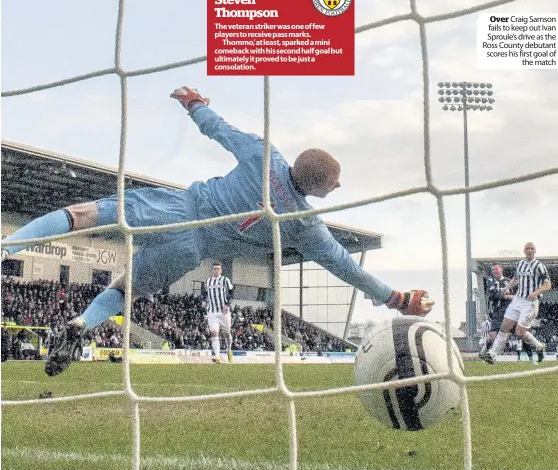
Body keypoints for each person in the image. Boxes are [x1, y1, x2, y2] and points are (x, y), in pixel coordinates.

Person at [1, 86, 433, 377]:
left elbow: (219, 130)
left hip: (178, 209)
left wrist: (194, 103)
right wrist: (396, 298)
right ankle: (80, 323)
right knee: (126, 287)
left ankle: (10, 245)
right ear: (324, 191)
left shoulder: (265, 157)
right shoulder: (305, 227)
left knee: (84, 215)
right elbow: (345, 266)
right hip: (194, 249)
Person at [485, 243, 551, 364]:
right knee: (504, 328)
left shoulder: (539, 266)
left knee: (519, 333)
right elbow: (516, 279)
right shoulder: (520, 264)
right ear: (524, 251)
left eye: (531, 249)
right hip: (517, 301)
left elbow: (548, 285)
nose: (529, 250)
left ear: (535, 251)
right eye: (527, 249)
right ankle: (492, 354)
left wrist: (535, 292)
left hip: (530, 303)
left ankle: (539, 347)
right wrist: (507, 288)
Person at [203, 262, 234, 363]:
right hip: (212, 311)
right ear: (212, 270)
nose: (216, 270)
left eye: (218, 269)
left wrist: (227, 304)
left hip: (224, 312)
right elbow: (204, 292)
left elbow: (231, 292)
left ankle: (229, 350)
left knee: (226, 333)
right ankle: (217, 356)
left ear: (221, 270)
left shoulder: (225, 280)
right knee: (214, 333)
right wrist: (204, 300)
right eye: (214, 269)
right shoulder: (208, 281)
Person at [479, 264, 512, 359]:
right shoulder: (491, 281)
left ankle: (491, 353)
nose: (494, 271)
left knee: (510, 334)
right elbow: (493, 295)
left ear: (501, 269)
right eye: (493, 269)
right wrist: (503, 295)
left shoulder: (508, 281)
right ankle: (485, 352)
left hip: (510, 312)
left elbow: (515, 295)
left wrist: (508, 296)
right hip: (498, 311)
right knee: (493, 335)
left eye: (496, 269)